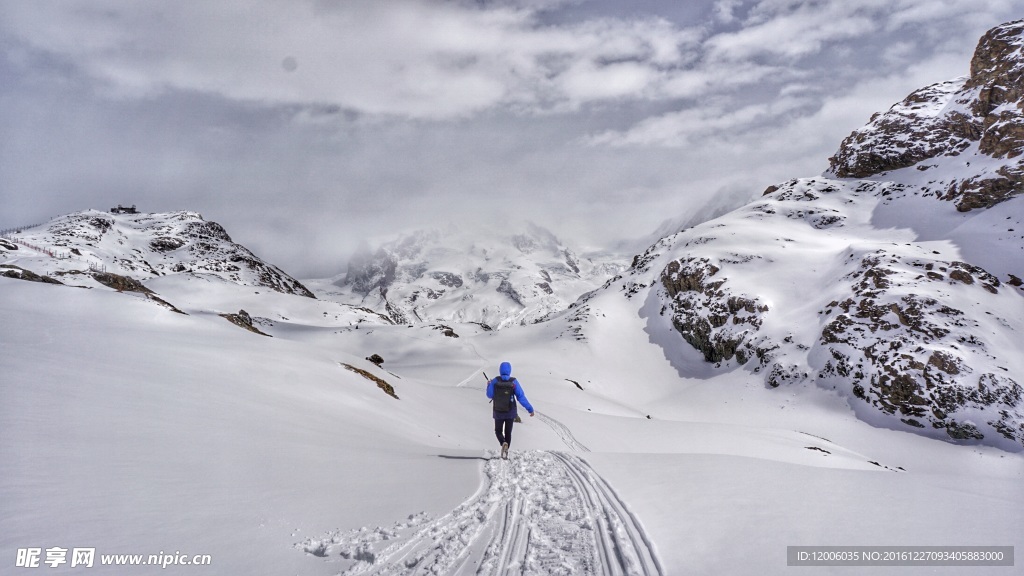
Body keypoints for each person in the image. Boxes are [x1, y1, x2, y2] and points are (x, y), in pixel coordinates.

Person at [486, 361, 535, 459]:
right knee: (508, 432)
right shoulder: (513, 381)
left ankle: (503, 442)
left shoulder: (495, 381)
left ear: (500, 370)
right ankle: (506, 450)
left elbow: (489, 395)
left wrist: (489, 385)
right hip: (510, 412)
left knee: (498, 431)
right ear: (509, 370)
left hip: (498, 411)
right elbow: (521, 397)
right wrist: (530, 409)